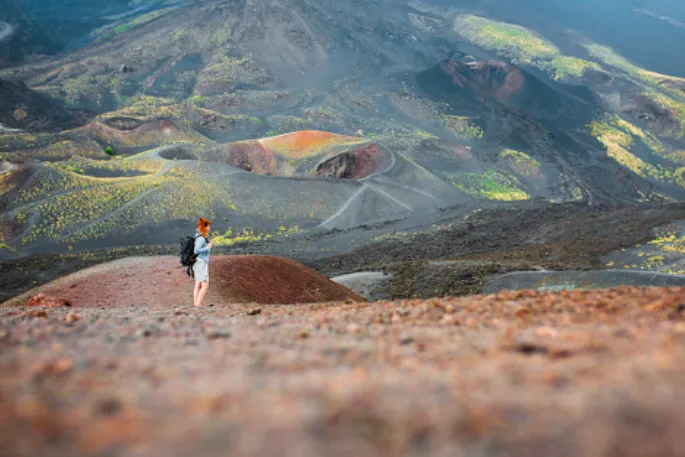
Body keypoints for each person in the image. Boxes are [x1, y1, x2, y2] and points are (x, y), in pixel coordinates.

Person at [193, 217, 213, 307]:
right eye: (208, 226)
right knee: (205, 285)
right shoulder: (201, 238)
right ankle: (198, 305)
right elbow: (196, 251)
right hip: (201, 263)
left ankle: (196, 304)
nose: (210, 228)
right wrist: (207, 247)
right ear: (204, 227)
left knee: (198, 284)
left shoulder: (199, 236)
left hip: (198, 262)